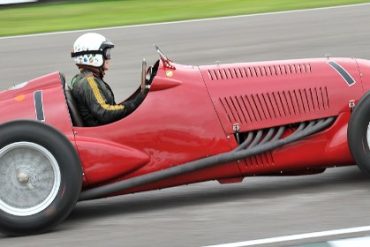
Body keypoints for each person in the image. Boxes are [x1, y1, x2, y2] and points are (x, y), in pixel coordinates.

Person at [69, 32, 148, 127]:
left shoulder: (86, 79)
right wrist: (134, 104)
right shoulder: (89, 82)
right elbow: (104, 113)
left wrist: (136, 100)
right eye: (106, 53)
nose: (109, 58)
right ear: (92, 56)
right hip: (102, 133)